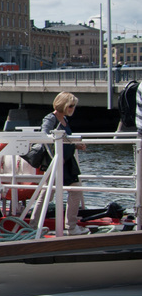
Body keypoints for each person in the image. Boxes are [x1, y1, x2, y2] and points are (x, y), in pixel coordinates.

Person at [37, 92, 89, 235]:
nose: (73, 108)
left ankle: (70, 226)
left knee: (72, 190)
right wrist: (56, 156)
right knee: (48, 192)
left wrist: (76, 145)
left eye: (74, 106)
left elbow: (65, 140)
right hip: (57, 161)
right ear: (63, 105)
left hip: (66, 162)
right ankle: (36, 224)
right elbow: (45, 136)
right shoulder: (50, 118)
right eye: (71, 106)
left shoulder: (64, 119)